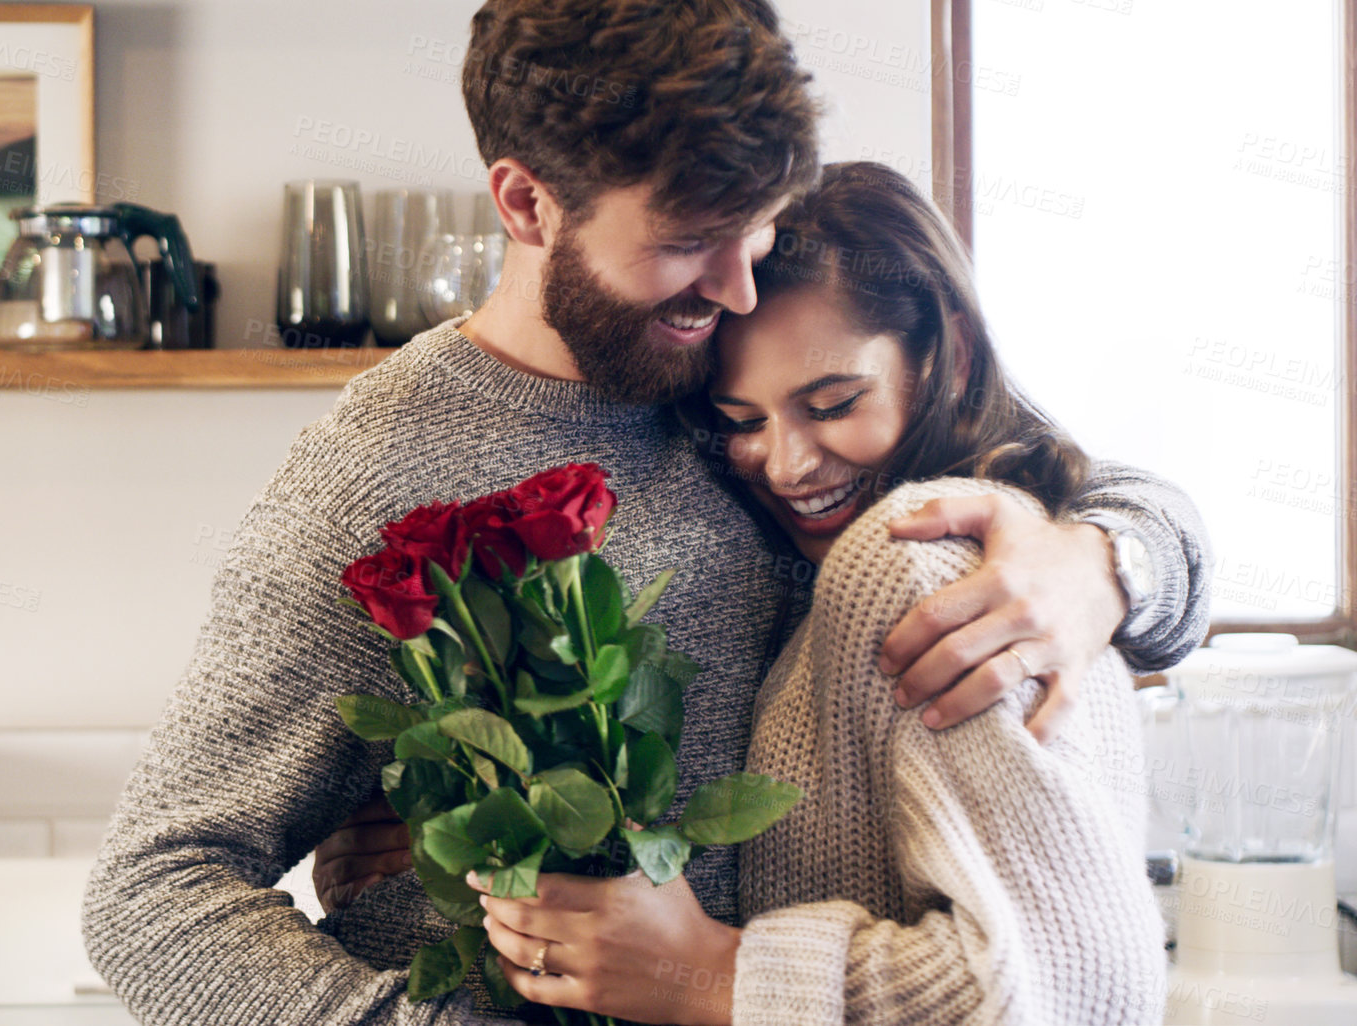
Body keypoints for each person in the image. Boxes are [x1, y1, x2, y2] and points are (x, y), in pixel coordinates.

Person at [84, 3, 1209, 1023]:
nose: (735, 288)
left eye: (755, 226)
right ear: (527, 202)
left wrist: (1109, 559)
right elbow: (155, 890)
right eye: (685, 242)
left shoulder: (761, 363)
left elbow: (1027, 462)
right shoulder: (378, 475)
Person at [440, 161, 1173, 1025]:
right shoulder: (857, 554)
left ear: (950, 354)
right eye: (743, 421)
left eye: (831, 404)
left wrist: (717, 975)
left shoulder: (917, 559)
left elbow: (1084, 989)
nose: (784, 466)